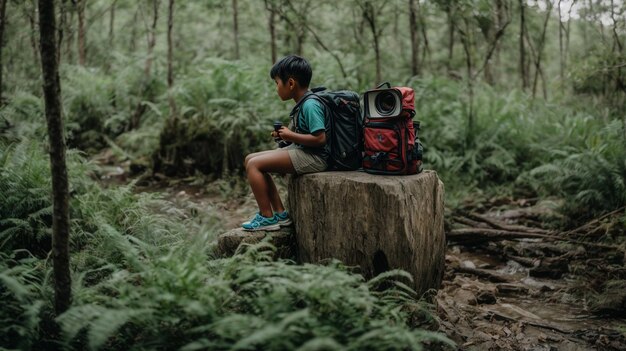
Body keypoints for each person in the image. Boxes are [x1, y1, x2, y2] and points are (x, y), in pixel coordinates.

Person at [242, 55, 328, 231]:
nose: (276, 88)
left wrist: (291, 136)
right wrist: (285, 136)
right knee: (250, 159)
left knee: (255, 165)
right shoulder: (302, 103)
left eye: (276, 83)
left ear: (290, 84)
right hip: (305, 151)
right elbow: (302, 135)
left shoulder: (310, 105)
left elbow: (320, 139)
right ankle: (280, 213)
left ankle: (267, 217)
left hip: (317, 158)